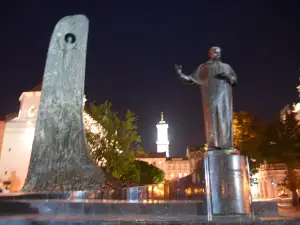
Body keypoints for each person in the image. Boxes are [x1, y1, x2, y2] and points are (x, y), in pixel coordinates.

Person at [175, 47, 237, 150]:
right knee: (211, 121)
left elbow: (234, 80)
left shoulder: (226, 67)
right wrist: (180, 74)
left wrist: (228, 77)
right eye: (215, 52)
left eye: (219, 52)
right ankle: (213, 145)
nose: (217, 54)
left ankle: (226, 145)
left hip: (224, 99)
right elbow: (191, 79)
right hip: (211, 99)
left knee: (225, 119)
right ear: (210, 54)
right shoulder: (204, 68)